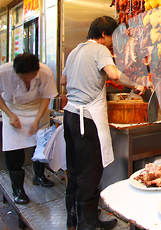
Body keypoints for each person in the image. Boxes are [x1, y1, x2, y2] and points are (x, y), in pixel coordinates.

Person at [60, 16, 143, 230]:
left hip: (70, 116)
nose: (112, 43)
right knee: (90, 172)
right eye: (112, 38)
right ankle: (87, 224)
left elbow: (63, 81)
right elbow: (114, 74)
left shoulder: (75, 51)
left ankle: (73, 217)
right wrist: (135, 84)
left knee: (75, 168)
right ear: (104, 34)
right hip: (86, 120)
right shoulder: (100, 50)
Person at [0, 53, 58, 204]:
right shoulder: (1, 73)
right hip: (14, 111)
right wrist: (9, 114)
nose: (27, 80)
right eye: (23, 77)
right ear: (15, 70)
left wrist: (37, 119)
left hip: (38, 109)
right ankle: (18, 190)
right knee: (14, 151)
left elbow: (47, 97)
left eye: (30, 77)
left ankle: (39, 176)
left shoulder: (45, 73)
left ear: (37, 70)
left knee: (41, 147)